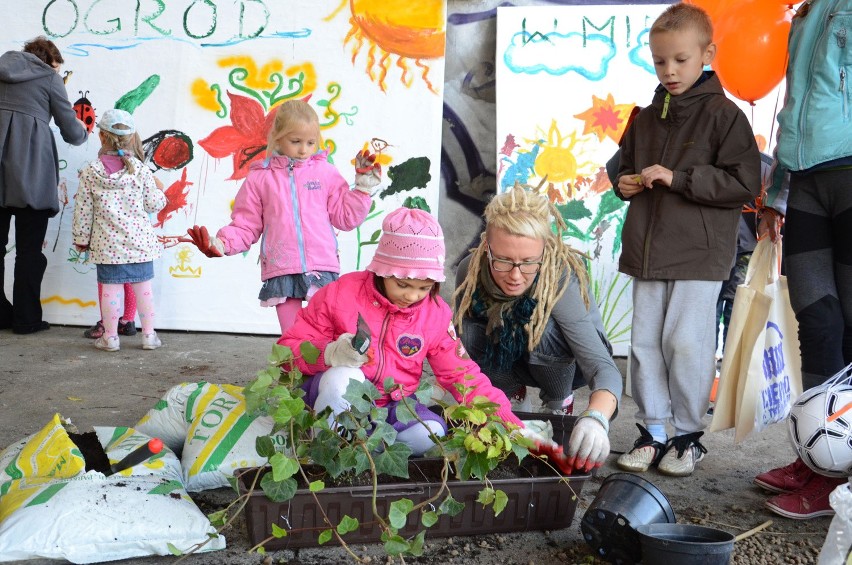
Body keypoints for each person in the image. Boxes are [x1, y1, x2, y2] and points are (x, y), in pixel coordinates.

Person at [612, 3, 761, 477]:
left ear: (707, 54)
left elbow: (745, 183)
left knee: (687, 345)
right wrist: (625, 181)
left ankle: (687, 435)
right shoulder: (646, 116)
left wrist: (679, 178)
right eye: (659, 61)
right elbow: (620, 163)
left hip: (699, 254)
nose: (669, 70)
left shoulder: (725, 116)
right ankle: (653, 431)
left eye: (679, 59)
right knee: (644, 344)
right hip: (647, 251)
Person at [279, 207, 525, 457]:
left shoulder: (435, 314)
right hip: (339, 399)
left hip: (394, 408)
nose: (411, 295)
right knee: (341, 377)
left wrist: (506, 421)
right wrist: (330, 354)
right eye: (402, 284)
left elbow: (462, 374)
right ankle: (329, 450)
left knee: (431, 433)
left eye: (424, 287)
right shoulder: (340, 294)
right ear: (382, 270)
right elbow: (286, 352)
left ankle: (371, 457)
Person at [754, 0, 852, 520]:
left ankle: (844, 480)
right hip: (807, 178)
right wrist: (778, 191)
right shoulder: (804, 15)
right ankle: (819, 463)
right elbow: (794, 100)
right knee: (816, 320)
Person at [453, 184, 620, 470]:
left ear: (544, 251)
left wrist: (596, 418)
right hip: (511, 356)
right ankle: (508, 393)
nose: (516, 276)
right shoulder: (470, 269)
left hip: (565, 362)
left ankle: (558, 403)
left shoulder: (560, 276)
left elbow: (602, 367)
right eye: (504, 261)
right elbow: (458, 351)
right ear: (486, 246)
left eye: (529, 262)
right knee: (469, 332)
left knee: (539, 323)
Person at [185, 99, 380, 334]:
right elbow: (246, 225)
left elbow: (345, 219)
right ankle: (293, 369)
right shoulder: (260, 178)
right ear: (277, 137)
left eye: (310, 142)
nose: (303, 149)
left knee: (327, 333)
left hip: (322, 265)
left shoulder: (326, 172)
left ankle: (325, 371)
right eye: (295, 141)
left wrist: (362, 189)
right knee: (293, 336)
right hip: (282, 268)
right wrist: (222, 243)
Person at [0, 36, 88, 334]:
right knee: (29, 251)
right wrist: (83, 130)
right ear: (50, 61)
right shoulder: (50, 78)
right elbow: (72, 132)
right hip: (31, 173)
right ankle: (26, 319)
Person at [71, 108, 166, 352]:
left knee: (110, 291)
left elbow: (83, 209)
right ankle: (149, 336)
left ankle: (111, 338)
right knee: (143, 288)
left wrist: (81, 239)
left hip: (107, 246)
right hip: (140, 245)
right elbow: (153, 204)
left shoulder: (91, 171)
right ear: (132, 137)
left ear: (102, 136)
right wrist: (160, 191)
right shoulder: (141, 171)